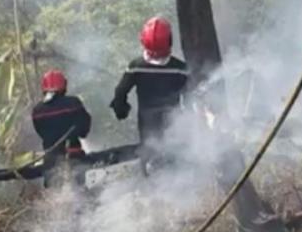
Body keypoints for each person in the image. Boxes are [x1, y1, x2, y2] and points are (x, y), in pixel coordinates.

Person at [110, 16, 189, 171]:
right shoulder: (180, 68)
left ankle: (150, 184)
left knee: (149, 153)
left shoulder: (136, 66)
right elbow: (191, 94)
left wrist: (121, 109)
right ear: (170, 40)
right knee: (174, 154)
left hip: (147, 120)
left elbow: (120, 91)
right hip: (174, 120)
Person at [30, 69, 92, 187]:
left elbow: (41, 133)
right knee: (82, 193)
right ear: (64, 85)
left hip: (51, 161)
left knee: (53, 195)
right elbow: (84, 130)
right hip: (74, 156)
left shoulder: (37, 110)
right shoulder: (73, 103)